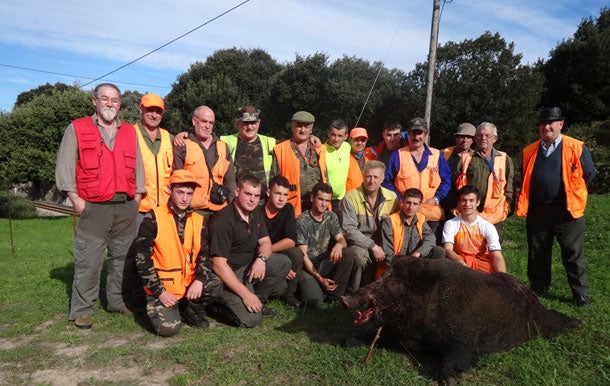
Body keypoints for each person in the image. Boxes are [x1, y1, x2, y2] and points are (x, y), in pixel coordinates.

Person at [55, 83, 146, 329]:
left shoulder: (129, 131)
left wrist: (136, 200)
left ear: (120, 104)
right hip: (93, 207)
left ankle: (117, 301)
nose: (109, 104)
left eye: (115, 100)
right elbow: (64, 166)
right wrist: (76, 200)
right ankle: (83, 310)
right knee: (89, 260)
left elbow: (138, 168)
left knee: (122, 259)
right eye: (104, 99)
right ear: (94, 101)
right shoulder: (77, 128)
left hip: (125, 206)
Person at [516, 107, 595, 307]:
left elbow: (589, 174)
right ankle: (539, 287)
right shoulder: (529, 150)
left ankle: (581, 294)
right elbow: (524, 175)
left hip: (567, 211)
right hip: (538, 210)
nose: (547, 127)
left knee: (573, 253)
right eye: (543, 124)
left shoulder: (576, 147)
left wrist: (572, 194)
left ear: (561, 124)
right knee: (537, 252)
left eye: (551, 123)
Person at [133, 170, 222, 336]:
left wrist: (200, 280)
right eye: (180, 192)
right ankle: (167, 306)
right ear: (170, 190)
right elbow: (142, 259)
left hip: (188, 283)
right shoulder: (153, 217)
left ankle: (191, 311)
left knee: (215, 283)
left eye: (189, 193)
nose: (184, 198)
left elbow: (204, 255)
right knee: (168, 329)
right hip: (164, 287)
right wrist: (160, 292)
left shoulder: (199, 220)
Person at [208, 174, 291, 327]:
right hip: (227, 274)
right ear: (237, 191)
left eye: (256, 196)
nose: (252, 200)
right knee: (252, 320)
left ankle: (257, 300)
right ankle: (216, 305)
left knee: (283, 263)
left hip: (247, 266)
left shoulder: (256, 213)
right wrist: (245, 294)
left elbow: (266, 242)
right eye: (248, 194)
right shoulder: (224, 220)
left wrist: (262, 260)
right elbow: (218, 265)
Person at [383, 117, 451, 240]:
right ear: (408, 134)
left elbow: (447, 180)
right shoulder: (397, 155)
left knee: (431, 250)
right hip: (405, 214)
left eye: (419, 133)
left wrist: (437, 198)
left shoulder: (436, 155)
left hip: (431, 215)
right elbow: (387, 182)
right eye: (413, 133)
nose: (416, 137)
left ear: (426, 134)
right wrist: (400, 200)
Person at [341, 160, 399, 292]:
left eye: (376, 177)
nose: (371, 181)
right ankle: (354, 292)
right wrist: (372, 246)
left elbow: (397, 225)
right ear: (363, 176)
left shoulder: (392, 197)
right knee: (359, 256)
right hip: (360, 243)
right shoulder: (351, 197)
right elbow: (349, 230)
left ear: (382, 178)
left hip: (386, 242)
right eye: (368, 176)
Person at [296, 183, 354, 307]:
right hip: (307, 267)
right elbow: (303, 256)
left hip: (323, 261)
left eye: (327, 201)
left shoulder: (331, 216)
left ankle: (336, 295)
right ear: (312, 198)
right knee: (315, 302)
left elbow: (342, 240)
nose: (324, 204)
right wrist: (320, 278)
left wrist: (339, 245)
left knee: (348, 253)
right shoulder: (302, 220)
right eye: (321, 199)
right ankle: (314, 287)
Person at [455, 122, 514, 241]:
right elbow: (457, 183)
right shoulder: (467, 158)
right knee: (468, 242)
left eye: (487, 135)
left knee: (494, 243)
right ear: (475, 138)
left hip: (494, 212)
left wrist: (507, 207)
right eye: (480, 135)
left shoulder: (504, 158)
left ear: (495, 138)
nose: (483, 138)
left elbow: (510, 185)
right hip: (470, 210)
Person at [173, 105, 236, 218]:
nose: (207, 126)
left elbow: (230, 180)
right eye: (204, 121)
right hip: (192, 211)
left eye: (211, 123)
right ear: (194, 121)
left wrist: (232, 209)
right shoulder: (182, 145)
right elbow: (176, 180)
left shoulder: (223, 146)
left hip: (220, 210)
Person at [272, 111, 328, 216]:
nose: (302, 130)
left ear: (311, 129)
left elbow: (325, 177)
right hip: (291, 206)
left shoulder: (319, 149)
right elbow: (274, 180)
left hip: (316, 206)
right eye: (299, 126)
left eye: (306, 126)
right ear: (292, 127)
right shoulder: (280, 149)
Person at [380, 188, 446, 276]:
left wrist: (418, 253)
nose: (411, 207)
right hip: (396, 263)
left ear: (420, 206)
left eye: (415, 204)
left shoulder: (421, 218)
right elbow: (388, 253)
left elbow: (430, 239)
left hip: (415, 260)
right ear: (402, 203)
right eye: (408, 203)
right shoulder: (389, 221)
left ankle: (429, 281)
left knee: (439, 251)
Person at [442, 185, 506, 273]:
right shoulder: (451, 224)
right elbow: (448, 250)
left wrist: (503, 279)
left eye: (471, 200)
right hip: (459, 262)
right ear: (459, 202)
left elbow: (497, 255)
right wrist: (463, 264)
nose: (467, 204)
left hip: (481, 262)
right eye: (464, 200)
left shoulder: (487, 226)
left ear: (478, 202)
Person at [262, 175, 305, 308]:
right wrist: (281, 268)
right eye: (278, 193)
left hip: (275, 251)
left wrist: (270, 251)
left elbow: (291, 240)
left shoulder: (288, 209)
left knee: (297, 253)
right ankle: (261, 294)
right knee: (279, 287)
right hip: (259, 254)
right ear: (269, 192)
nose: (282, 198)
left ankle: (290, 294)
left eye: (285, 195)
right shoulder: (258, 210)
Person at [221, 106, 276, 203]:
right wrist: (185, 136)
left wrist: (310, 137)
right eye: (245, 123)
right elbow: (205, 141)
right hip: (236, 201)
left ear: (258, 123)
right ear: (238, 123)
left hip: (263, 202)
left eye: (253, 122)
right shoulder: (224, 141)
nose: (250, 127)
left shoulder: (270, 142)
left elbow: (292, 145)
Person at [134, 93, 174, 220]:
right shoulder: (129, 134)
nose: (154, 115)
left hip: (166, 208)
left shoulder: (170, 138)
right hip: (139, 208)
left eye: (158, 111)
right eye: (150, 110)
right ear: (141, 109)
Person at [440, 123, 475, 219]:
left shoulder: (475, 157)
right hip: (442, 202)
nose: (465, 140)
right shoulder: (443, 153)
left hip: (463, 205)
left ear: (472, 140)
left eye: (468, 137)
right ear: (456, 138)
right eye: (462, 137)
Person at [323, 119, 352, 214]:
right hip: (325, 200)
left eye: (340, 136)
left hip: (342, 199)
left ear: (346, 136)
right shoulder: (321, 150)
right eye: (333, 135)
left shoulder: (347, 147)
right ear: (328, 133)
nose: (336, 139)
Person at [345, 127, 375, 192]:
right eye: (356, 140)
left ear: (366, 141)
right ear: (350, 140)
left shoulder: (372, 156)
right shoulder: (344, 156)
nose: (359, 143)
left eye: (363, 140)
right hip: (349, 198)